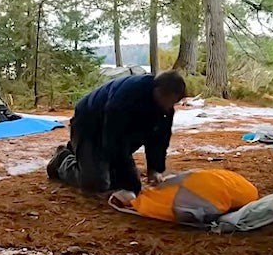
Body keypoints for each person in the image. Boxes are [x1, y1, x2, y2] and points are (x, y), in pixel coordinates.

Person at [47, 70, 187, 194]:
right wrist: (131, 183)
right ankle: (63, 158)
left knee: (114, 178)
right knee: (97, 183)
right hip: (89, 125)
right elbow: (116, 140)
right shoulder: (127, 97)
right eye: (170, 100)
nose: (171, 106)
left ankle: (84, 153)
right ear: (159, 91)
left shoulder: (164, 108)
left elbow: (159, 139)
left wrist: (155, 169)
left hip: (115, 131)